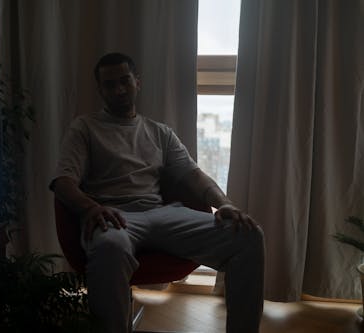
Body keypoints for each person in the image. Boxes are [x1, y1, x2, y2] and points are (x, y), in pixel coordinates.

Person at [49, 53, 265, 333]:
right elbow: (62, 181)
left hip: (163, 213)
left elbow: (194, 176)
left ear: (137, 82)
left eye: (124, 81)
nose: (118, 89)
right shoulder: (85, 128)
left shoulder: (159, 132)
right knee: (110, 247)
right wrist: (91, 208)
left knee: (248, 236)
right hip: (115, 217)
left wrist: (224, 204)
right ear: (100, 89)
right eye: (109, 84)